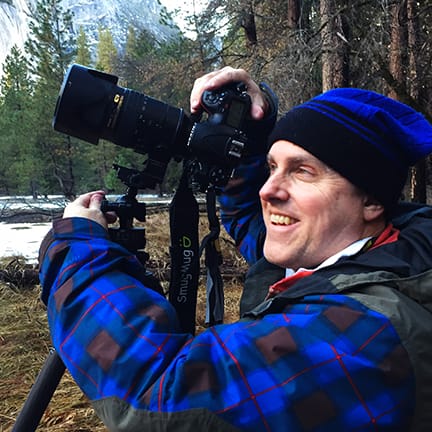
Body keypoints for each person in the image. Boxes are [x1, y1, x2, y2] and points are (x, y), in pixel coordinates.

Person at [38, 67, 432, 431]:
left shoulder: (369, 336)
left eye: (302, 171)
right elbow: (248, 215)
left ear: (372, 201)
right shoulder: (360, 254)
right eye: (272, 166)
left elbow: (154, 394)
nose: (268, 190)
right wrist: (252, 129)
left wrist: (78, 247)